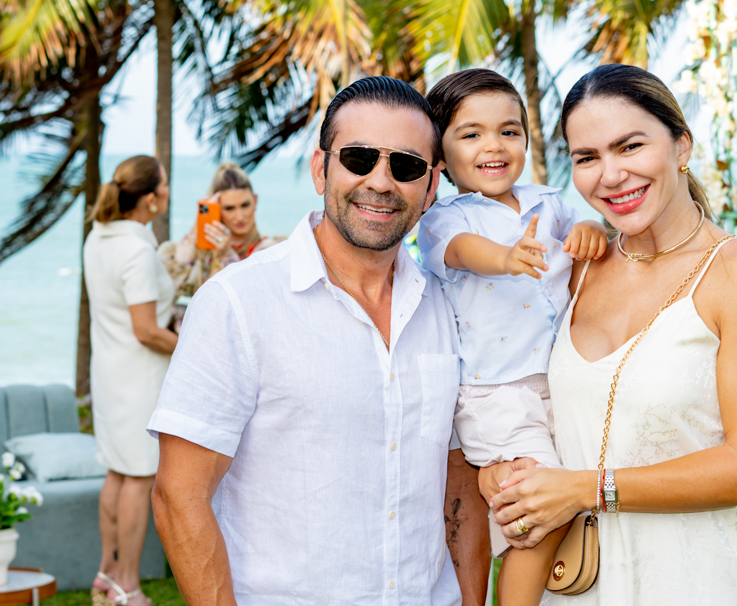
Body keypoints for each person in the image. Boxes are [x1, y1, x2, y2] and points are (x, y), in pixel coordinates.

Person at [147, 76, 489, 606]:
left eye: (405, 165)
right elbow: (179, 496)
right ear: (319, 168)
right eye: (358, 158)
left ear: (431, 186)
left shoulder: (448, 307)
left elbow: (459, 487)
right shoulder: (238, 302)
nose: (380, 181)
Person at [486, 64, 737, 605]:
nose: (609, 174)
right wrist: (501, 470)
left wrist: (583, 489)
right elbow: (507, 377)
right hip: (575, 582)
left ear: (681, 145)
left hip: (690, 582)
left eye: (629, 147)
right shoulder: (578, 267)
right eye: (587, 158)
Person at [418, 69, 607, 606]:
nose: (494, 145)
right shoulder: (443, 219)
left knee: (555, 494)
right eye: (471, 133)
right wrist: (503, 258)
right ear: (440, 155)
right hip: (495, 393)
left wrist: (590, 231)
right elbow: (460, 253)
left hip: (557, 380)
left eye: (509, 131)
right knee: (534, 510)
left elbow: (584, 237)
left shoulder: (549, 201)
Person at [83, 155, 177, 606]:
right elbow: (147, 331)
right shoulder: (137, 250)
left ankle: (107, 571)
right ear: (151, 199)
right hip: (138, 379)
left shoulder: (98, 237)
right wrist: (193, 347)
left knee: (117, 474)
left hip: (108, 373)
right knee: (138, 479)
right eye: (164, 185)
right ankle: (129, 584)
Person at [158, 162, 284, 302]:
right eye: (229, 208)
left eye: (245, 205)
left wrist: (227, 255)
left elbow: (252, 299)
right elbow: (168, 291)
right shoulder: (204, 255)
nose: (240, 216)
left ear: (255, 201)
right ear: (217, 209)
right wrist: (199, 225)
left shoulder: (273, 249)